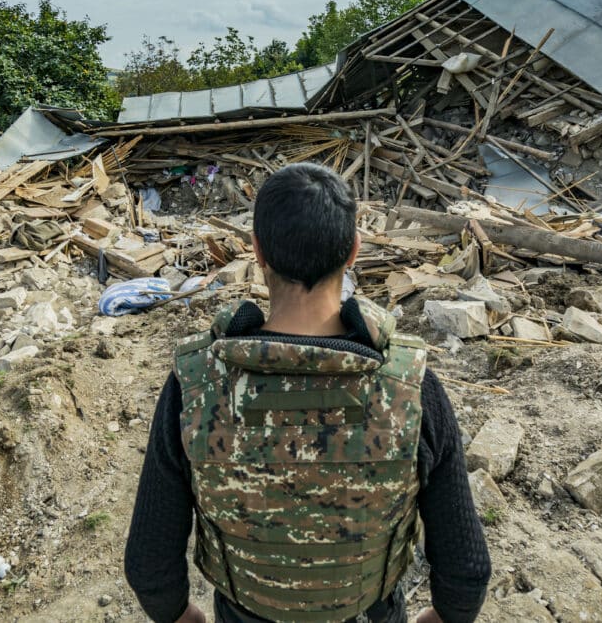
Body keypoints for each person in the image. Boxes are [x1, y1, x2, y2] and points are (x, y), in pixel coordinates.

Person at [125, 162, 491, 623]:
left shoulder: (195, 385)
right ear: (354, 250)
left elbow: (148, 564)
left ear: (258, 251)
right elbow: (467, 571)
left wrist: (183, 618)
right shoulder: (412, 386)